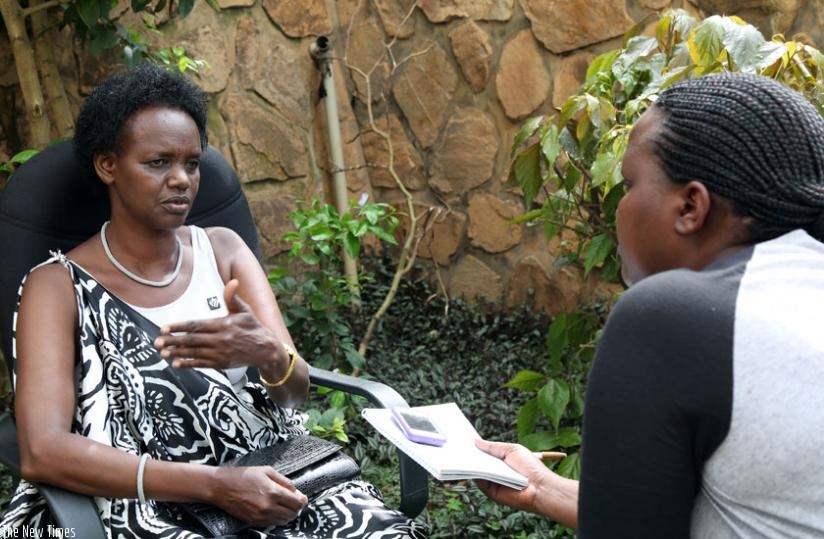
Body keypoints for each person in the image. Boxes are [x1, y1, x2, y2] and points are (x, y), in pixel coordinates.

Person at [0, 64, 426, 538]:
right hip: (146, 502)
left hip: (277, 478)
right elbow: (42, 450)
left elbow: (294, 394)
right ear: (108, 166)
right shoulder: (56, 287)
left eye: (192, 163)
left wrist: (268, 352)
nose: (181, 179)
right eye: (158, 162)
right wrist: (214, 485)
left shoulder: (223, 252)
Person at [476, 72, 824, 537]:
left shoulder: (669, 317)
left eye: (628, 184)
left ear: (690, 207)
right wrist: (541, 486)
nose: (617, 208)